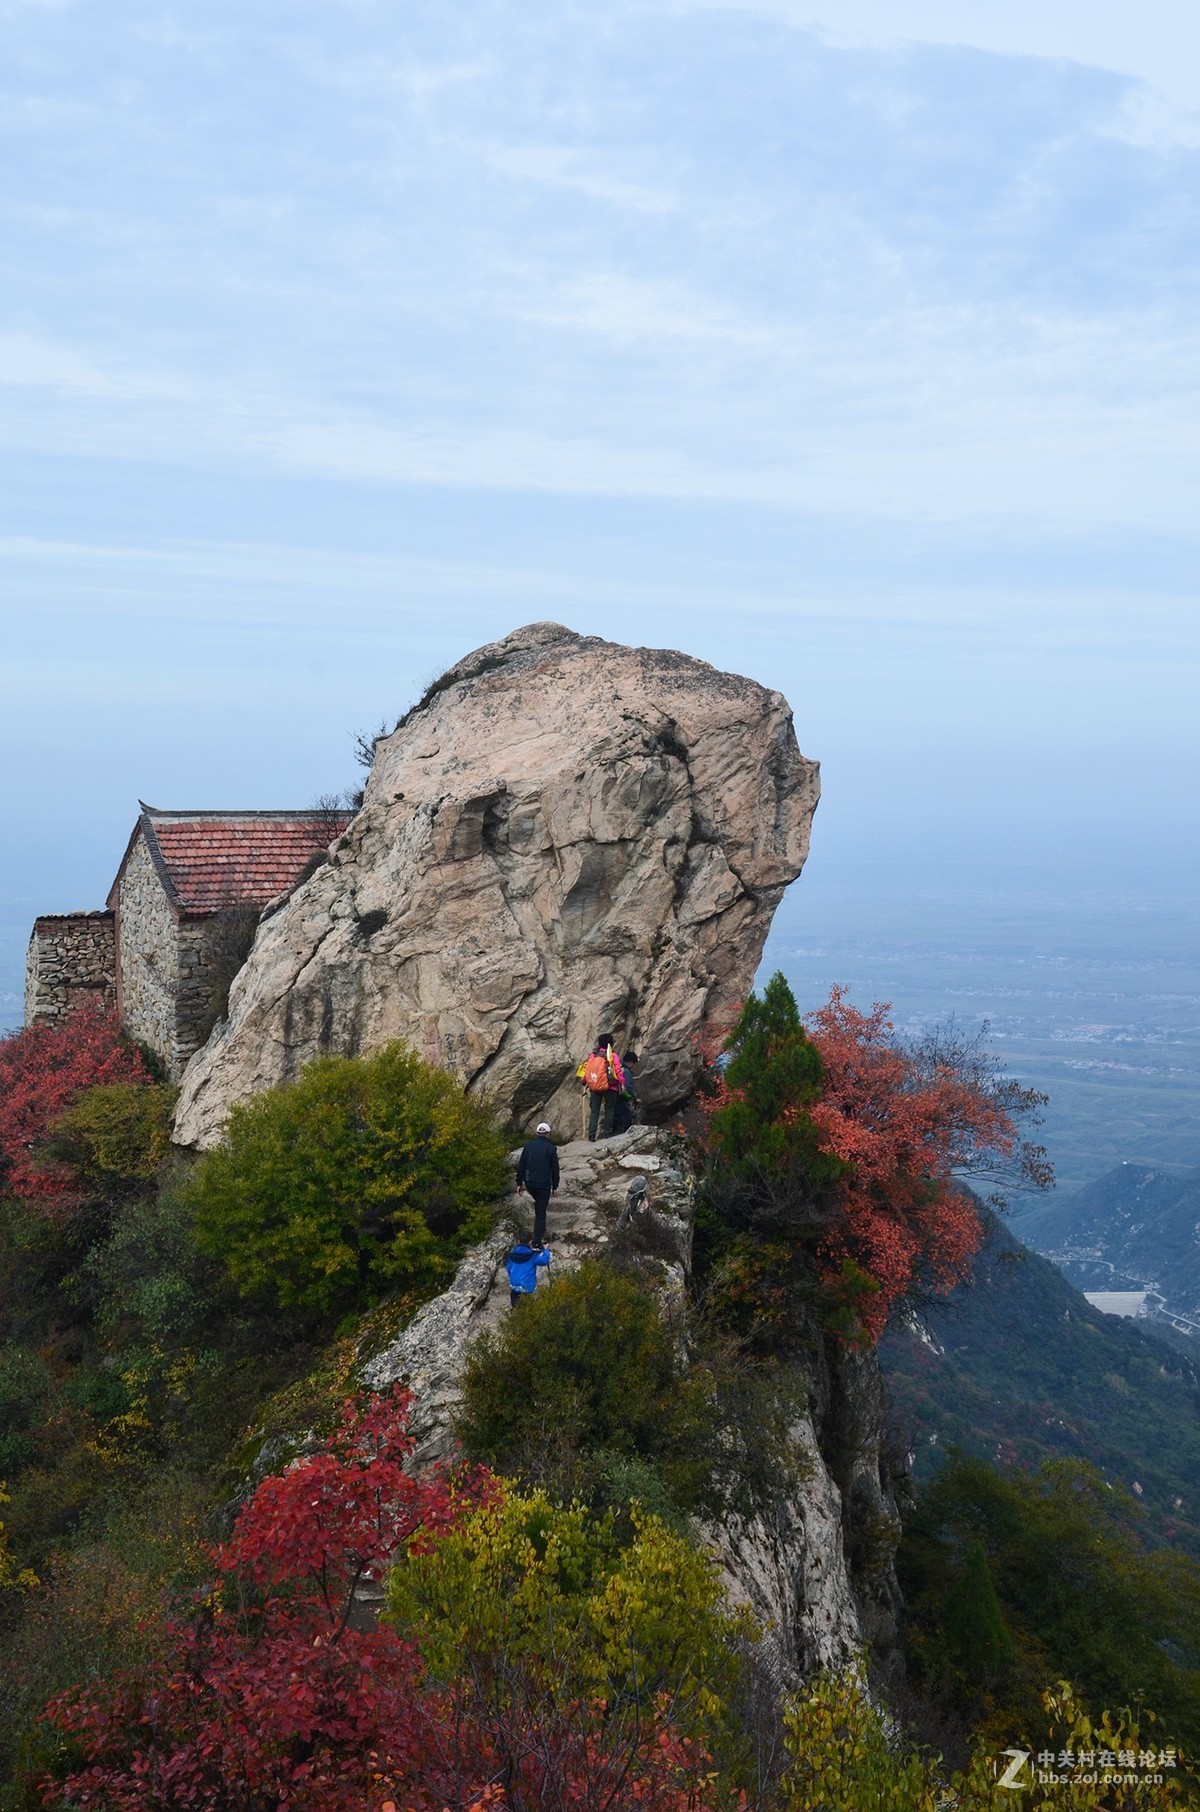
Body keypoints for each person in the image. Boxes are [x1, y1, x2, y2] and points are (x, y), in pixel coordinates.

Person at [516, 1121, 559, 1244]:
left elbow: (522, 1165)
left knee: (538, 1207)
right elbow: (554, 1168)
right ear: (548, 1134)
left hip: (530, 1183)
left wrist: (519, 1182)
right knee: (540, 1212)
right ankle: (536, 1240)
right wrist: (555, 1185)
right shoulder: (551, 1148)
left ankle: (541, 1230)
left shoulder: (528, 1146)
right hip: (544, 1184)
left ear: (537, 1133)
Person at [580, 1033, 625, 1141]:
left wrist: (585, 1081)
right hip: (611, 1086)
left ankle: (591, 1135)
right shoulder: (612, 1055)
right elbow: (618, 1070)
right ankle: (607, 1134)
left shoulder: (593, 1055)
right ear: (611, 1043)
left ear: (599, 1043)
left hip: (595, 1086)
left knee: (594, 1111)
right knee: (609, 1109)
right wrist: (622, 1083)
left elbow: (588, 1069)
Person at [506, 1239, 551, 1307]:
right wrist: (545, 1250)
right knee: (527, 1309)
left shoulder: (512, 1255)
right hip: (527, 1288)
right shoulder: (532, 1255)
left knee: (516, 1308)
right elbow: (544, 1261)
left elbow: (508, 1268)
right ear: (530, 1242)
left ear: (518, 1241)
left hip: (514, 1286)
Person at [611, 1050, 640, 1135]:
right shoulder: (626, 1071)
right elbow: (627, 1087)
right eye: (634, 1064)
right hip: (621, 1098)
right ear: (631, 1062)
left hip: (613, 1096)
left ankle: (611, 1136)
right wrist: (633, 1097)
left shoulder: (618, 1068)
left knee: (614, 1119)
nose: (633, 1066)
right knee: (627, 1120)